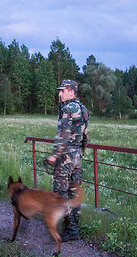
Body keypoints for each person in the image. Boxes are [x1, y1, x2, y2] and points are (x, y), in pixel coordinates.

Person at [46, 79, 89, 242]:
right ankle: (74, 229)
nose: (60, 93)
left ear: (71, 91)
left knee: (60, 191)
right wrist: (80, 151)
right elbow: (85, 135)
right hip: (77, 154)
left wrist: (55, 155)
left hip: (66, 155)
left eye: (63, 91)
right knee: (74, 191)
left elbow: (63, 134)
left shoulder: (68, 108)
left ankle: (70, 230)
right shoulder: (83, 109)